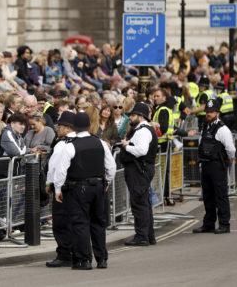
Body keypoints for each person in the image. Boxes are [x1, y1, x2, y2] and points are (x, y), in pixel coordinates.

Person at [51, 112, 115, 270]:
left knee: (80, 224)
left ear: (74, 127)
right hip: (99, 187)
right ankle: (102, 259)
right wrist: (107, 181)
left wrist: (58, 188)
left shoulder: (70, 145)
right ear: (88, 126)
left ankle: (84, 260)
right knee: (98, 224)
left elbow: (61, 171)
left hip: (78, 188)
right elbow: (111, 166)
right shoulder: (100, 142)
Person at [191, 98, 235, 234]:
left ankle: (224, 224)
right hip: (206, 164)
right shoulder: (206, 126)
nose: (208, 114)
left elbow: (231, 149)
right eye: (207, 111)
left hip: (217, 165)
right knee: (208, 196)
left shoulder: (223, 129)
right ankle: (208, 224)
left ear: (217, 113)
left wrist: (227, 161)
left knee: (220, 195)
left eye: (211, 112)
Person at [120, 102, 158, 246]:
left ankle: (142, 236)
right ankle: (148, 235)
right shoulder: (142, 129)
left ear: (141, 116)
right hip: (140, 169)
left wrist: (127, 146)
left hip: (139, 170)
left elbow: (142, 150)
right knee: (143, 203)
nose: (130, 118)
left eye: (133, 115)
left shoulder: (143, 131)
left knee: (139, 204)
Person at [45, 111, 76, 268]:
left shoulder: (62, 144)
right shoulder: (81, 141)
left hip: (62, 188)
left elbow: (54, 167)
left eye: (60, 126)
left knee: (60, 222)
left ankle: (64, 254)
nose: (57, 128)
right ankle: (75, 252)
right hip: (77, 188)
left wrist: (50, 184)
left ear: (68, 127)